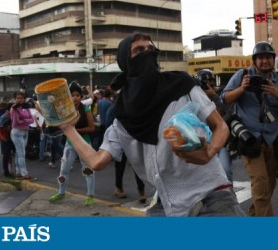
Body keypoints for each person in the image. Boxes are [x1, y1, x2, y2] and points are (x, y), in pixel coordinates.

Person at [58, 32, 243, 216]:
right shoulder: (122, 117)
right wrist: (68, 128)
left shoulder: (183, 85)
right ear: (126, 62)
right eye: (139, 50)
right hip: (167, 206)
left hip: (211, 197)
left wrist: (210, 151)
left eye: (151, 49)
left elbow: (220, 126)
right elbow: (97, 161)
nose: (147, 54)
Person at [221, 41, 278, 216]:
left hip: (272, 139)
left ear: (273, 60)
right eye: (260, 58)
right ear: (254, 60)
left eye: (268, 58)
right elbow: (224, 98)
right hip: (249, 139)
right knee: (261, 183)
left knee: (268, 186)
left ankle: (254, 216)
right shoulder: (242, 75)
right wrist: (242, 88)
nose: (264, 61)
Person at [49, 82, 96, 206]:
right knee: (64, 169)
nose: (75, 97)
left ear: (81, 97)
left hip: (84, 143)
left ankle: (90, 196)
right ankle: (61, 192)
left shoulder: (86, 108)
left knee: (88, 170)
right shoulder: (65, 111)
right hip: (70, 144)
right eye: (72, 95)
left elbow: (92, 128)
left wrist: (73, 131)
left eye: (77, 95)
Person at [103, 90, 146, 202]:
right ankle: (119, 189)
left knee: (136, 166)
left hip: (131, 142)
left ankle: (141, 191)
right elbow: (109, 125)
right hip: (120, 143)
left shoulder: (131, 109)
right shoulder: (114, 109)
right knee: (120, 167)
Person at [197, 69, 233, 182]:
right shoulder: (195, 97)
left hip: (222, 141)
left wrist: (214, 96)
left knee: (225, 170)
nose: (209, 85)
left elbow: (228, 111)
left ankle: (230, 196)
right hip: (203, 142)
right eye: (206, 82)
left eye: (211, 81)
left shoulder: (220, 93)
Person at [10, 92, 35, 180]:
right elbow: (16, 122)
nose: (19, 99)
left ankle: (18, 172)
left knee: (18, 153)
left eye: (21, 98)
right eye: (17, 98)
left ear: (24, 99)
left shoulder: (26, 107)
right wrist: (26, 120)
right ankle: (24, 174)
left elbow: (32, 119)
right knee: (22, 154)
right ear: (15, 99)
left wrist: (24, 120)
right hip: (17, 132)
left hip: (25, 132)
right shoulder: (14, 108)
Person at [0, 103, 15, 178]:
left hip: (12, 137)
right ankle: (6, 171)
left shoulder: (14, 115)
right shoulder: (4, 116)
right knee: (6, 155)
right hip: (5, 138)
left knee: (11, 155)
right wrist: (1, 137)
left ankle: (10, 169)